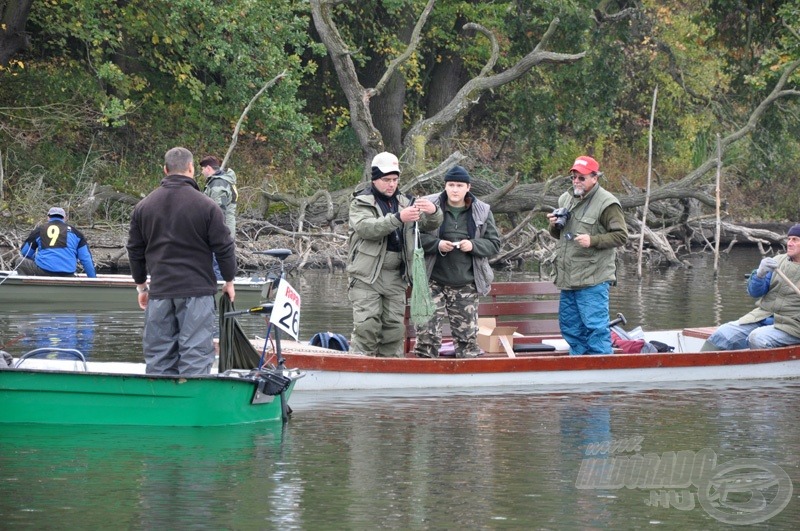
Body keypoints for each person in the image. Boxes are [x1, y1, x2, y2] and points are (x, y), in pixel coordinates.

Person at [126, 147, 236, 375]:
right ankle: (192, 405)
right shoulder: (207, 206)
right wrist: (229, 281)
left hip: (160, 292)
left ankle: (162, 406)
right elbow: (224, 247)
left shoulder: (143, 207)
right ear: (191, 169)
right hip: (197, 292)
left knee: (159, 358)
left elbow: (135, 251)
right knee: (195, 356)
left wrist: (141, 287)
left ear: (165, 170)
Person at [347, 151, 442, 357]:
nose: (391, 184)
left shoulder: (406, 201)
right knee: (367, 326)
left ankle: (389, 371)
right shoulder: (360, 202)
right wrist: (398, 218)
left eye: (395, 180)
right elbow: (367, 228)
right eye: (386, 180)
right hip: (366, 276)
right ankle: (360, 368)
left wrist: (434, 211)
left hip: (396, 276)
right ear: (374, 179)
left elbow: (429, 224)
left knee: (393, 329)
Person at [414, 165, 501, 358]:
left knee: (467, 341)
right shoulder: (429, 205)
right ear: (445, 186)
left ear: (468, 187)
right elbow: (413, 238)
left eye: (459, 185)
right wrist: (437, 244)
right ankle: (425, 376)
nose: (455, 189)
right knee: (426, 338)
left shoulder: (482, 210)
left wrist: (473, 245)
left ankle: (467, 380)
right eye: (451, 185)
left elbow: (494, 244)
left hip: (466, 283)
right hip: (432, 281)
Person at [548, 155, 628, 355]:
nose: (576, 181)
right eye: (573, 177)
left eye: (581, 178)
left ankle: (601, 372)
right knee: (570, 328)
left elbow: (621, 236)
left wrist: (593, 240)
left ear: (595, 178)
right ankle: (580, 370)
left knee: (595, 329)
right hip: (568, 278)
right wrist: (553, 225)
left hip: (593, 278)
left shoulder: (608, 203)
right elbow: (559, 235)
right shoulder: (565, 198)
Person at [702, 224, 800, 351]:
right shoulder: (777, 262)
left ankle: (764, 369)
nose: (789, 243)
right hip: (763, 316)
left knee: (758, 338)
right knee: (723, 334)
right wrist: (759, 274)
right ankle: (693, 367)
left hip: (793, 325)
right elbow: (754, 292)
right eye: (789, 239)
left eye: (795, 240)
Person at [19, 207, 97, 277]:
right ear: (65, 218)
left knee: (19, 262)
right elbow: (86, 259)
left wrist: (36, 259)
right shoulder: (76, 233)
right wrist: (93, 280)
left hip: (43, 271)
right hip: (68, 274)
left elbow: (25, 253)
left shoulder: (39, 230)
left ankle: (28, 289)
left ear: (48, 217)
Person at [199, 155, 238, 280]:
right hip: (224, 230)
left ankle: (219, 292)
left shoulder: (217, 184)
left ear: (208, 168)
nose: (201, 172)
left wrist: (211, 232)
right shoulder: (220, 181)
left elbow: (218, 211)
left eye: (202, 169)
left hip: (219, 232)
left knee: (216, 265)